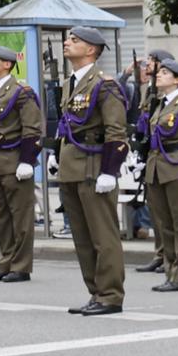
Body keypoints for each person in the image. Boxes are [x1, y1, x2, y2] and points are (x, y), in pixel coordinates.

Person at [54, 25, 129, 316]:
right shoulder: (69, 82)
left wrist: (110, 171)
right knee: (82, 237)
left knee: (102, 235)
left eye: (74, 40)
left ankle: (111, 295)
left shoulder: (104, 84)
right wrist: (56, 154)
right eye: (68, 38)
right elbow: (68, 125)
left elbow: (115, 131)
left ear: (91, 50)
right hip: (71, 166)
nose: (67, 42)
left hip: (93, 167)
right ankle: (96, 292)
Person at [138, 52, 178, 293]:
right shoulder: (159, 104)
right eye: (160, 72)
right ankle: (170, 272)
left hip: (176, 168)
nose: (159, 76)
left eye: (165, 73)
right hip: (156, 169)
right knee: (163, 224)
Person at [0, 44, 40, 283]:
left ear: (6, 64)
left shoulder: (21, 91)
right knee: (0, 217)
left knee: (21, 217)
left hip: (14, 160)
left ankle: (21, 265)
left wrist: (28, 160)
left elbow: (32, 128)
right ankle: (6, 261)